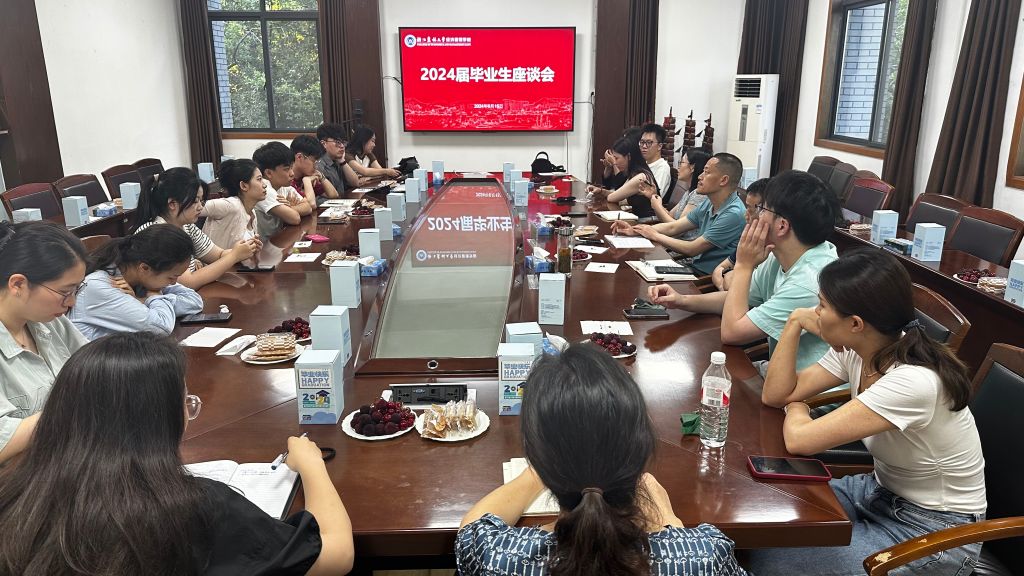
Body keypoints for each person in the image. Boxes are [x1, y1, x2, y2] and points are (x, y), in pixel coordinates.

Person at [0, 331, 355, 575]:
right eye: (185, 401)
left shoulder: (16, 498)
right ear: (161, 417)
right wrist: (311, 465)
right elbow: (335, 555)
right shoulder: (192, 508)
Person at [748, 249, 986, 575]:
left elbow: (800, 440)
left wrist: (797, 405)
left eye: (822, 305)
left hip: (935, 531)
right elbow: (776, 394)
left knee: (773, 560)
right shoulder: (861, 348)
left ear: (855, 324)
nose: (815, 312)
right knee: (763, 517)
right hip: (877, 491)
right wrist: (793, 323)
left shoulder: (912, 381)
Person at [457, 345, 747, 576]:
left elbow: (471, 529)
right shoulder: (705, 558)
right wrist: (671, 525)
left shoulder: (497, 558)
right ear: (640, 451)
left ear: (539, 459)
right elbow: (691, 557)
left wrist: (541, 468)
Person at [649, 171, 838, 369]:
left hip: (801, 386)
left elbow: (732, 333)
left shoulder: (808, 282)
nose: (754, 216)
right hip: (778, 374)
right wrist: (681, 300)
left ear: (782, 226)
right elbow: (737, 298)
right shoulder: (780, 255)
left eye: (762, 209)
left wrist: (743, 265)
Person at [0, 221, 88, 463]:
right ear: (18, 284)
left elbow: (92, 366)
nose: (71, 303)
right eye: (65, 292)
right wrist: (78, 406)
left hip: (70, 457)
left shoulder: (49, 321)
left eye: (77, 290)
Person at [614, 152, 746, 275]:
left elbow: (692, 249)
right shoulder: (709, 202)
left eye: (707, 172)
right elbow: (674, 227)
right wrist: (635, 230)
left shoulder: (733, 213)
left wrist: (655, 235)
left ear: (723, 180)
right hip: (693, 266)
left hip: (705, 277)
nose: (700, 176)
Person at [134, 167, 259, 289]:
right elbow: (188, 282)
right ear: (172, 204)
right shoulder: (158, 233)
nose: (200, 207)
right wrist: (234, 256)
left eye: (201, 200)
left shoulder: (187, 226)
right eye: (195, 201)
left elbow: (218, 254)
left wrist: (245, 249)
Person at [70, 224, 202, 339]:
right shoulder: (102, 286)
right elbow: (162, 327)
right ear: (144, 268)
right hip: (92, 359)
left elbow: (195, 301)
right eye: (171, 277)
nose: (173, 283)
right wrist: (154, 297)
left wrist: (144, 299)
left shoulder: (142, 279)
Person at [711, 178, 769, 291]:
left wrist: (729, 288)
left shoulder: (771, 251)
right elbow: (719, 269)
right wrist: (723, 288)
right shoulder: (750, 240)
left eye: (750, 209)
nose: (745, 215)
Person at [201, 159, 268, 251]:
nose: (264, 185)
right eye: (259, 179)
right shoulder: (230, 205)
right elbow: (191, 207)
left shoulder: (252, 212)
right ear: (244, 186)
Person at [585, 137, 658, 219]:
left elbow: (612, 198)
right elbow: (618, 194)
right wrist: (600, 191)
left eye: (616, 158)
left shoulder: (640, 178)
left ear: (629, 156)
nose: (614, 161)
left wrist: (614, 164)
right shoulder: (633, 173)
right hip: (637, 219)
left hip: (647, 221)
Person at [253, 141, 314, 237]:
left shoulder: (285, 187)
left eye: (291, 167)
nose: (292, 173)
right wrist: (294, 209)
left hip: (278, 239)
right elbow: (295, 218)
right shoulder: (263, 188)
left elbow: (308, 207)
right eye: (286, 169)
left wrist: (290, 207)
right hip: (264, 243)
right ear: (269, 173)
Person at [650, 148, 711, 240]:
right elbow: (668, 217)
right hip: (672, 240)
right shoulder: (689, 191)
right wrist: (653, 197)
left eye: (681, 162)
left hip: (682, 244)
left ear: (692, 167)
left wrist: (657, 206)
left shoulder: (699, 195)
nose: (678, 167)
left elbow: (678, 230)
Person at [291, 135, 340, 204]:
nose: (316, 166)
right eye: (314, 161)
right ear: (299, 157)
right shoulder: (288, 179)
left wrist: (321, 176)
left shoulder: (308, 174)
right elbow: (311, 204)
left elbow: (334, 195)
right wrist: (307, 181)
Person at [600, 126, 643, 191]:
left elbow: (621, 191)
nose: (623, 142)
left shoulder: (638, 169)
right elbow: (607, 186)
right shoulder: (624, 165)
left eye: (626, 139)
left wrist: (614, 164)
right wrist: (608, 167)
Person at [315, 122, 350, 192]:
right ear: (323, 144)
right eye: (337, 142)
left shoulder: (337, 160)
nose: (342, 146)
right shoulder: (319, 166)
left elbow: (355, 183)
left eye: (343, 142)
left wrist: (342, 161)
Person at [639, 122, 672, 195]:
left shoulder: (662, 168)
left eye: (649, 142)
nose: (644, 146)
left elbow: (656, 195)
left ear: (659, 146)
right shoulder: (644, 164)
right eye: (642, 142)